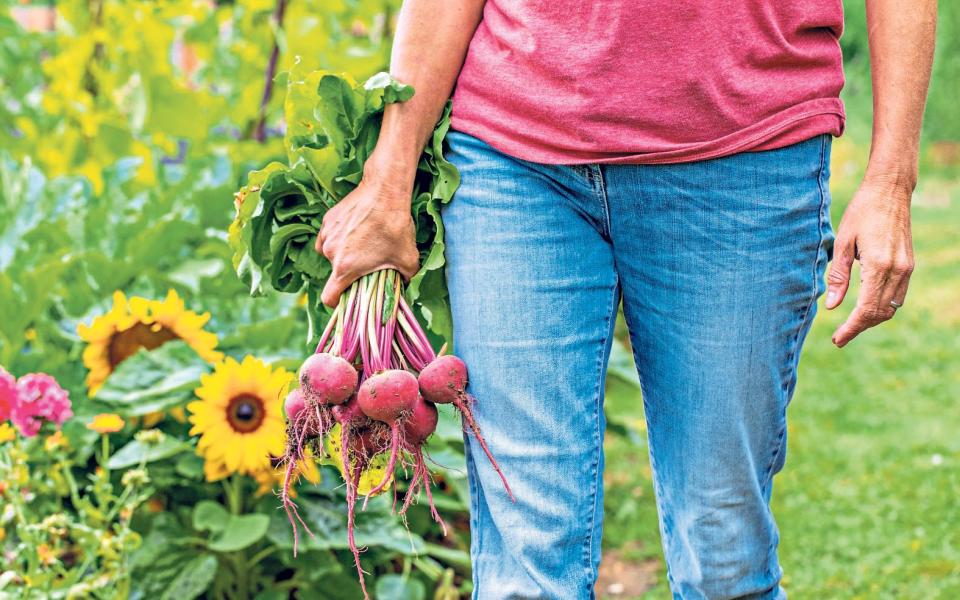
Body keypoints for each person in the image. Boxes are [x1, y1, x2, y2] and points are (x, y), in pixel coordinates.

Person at [316, 1, 937, 597]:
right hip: (515, 157)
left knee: (722, 552)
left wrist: (892, 178)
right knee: (524, 570)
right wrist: (387, 177)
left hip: (745, 152)